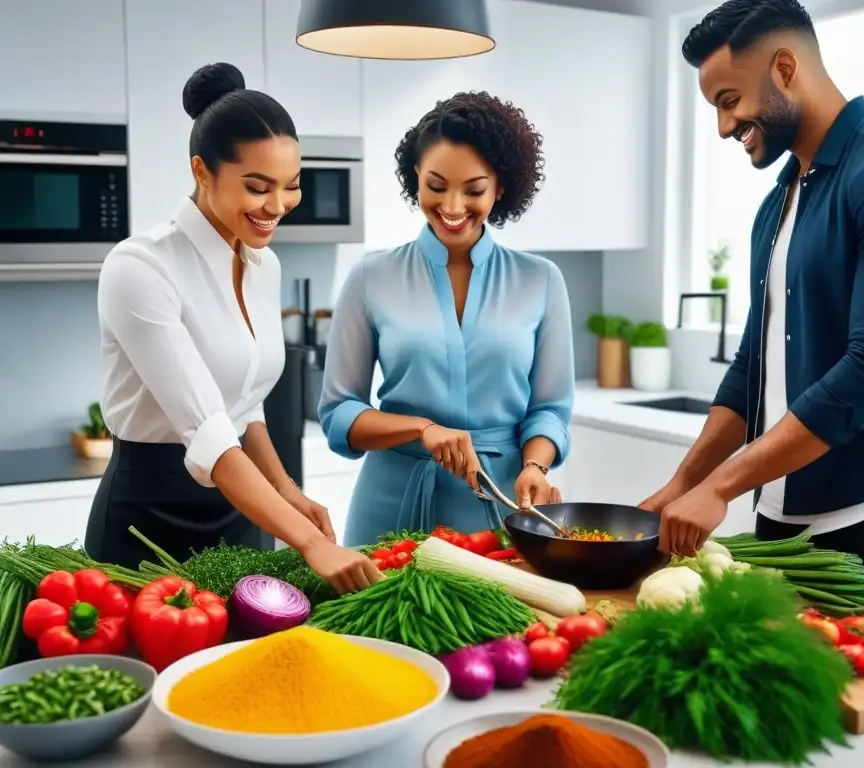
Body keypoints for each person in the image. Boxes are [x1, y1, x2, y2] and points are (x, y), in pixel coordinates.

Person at [640, 0, 864, 602]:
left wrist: (722, 486)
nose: (721, 126)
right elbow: (749, 373)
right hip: (785, 509)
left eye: (728, 100)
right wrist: (684, 483)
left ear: (785, 67)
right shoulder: (778, 202)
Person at [85, 62, 382, 594]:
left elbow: (244, 404)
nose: (277, 207)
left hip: (248, 515)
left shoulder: (264, 266)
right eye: (257, 186)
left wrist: (285, 492)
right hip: (147, 521)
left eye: (291, 187)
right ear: (202, 172)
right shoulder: (140, 267)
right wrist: (311, 543)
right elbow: (209, 432)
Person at [319, 91, 574, 547]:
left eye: (474, 190)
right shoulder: (370, 277)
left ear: (501, 187)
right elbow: (339, 414)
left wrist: (535, 466)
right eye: (436, 186)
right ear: (416, 175)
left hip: (500, 508)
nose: (453, 207)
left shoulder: (542, 280)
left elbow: (551, 411)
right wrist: (422, 429)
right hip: (390, 505)